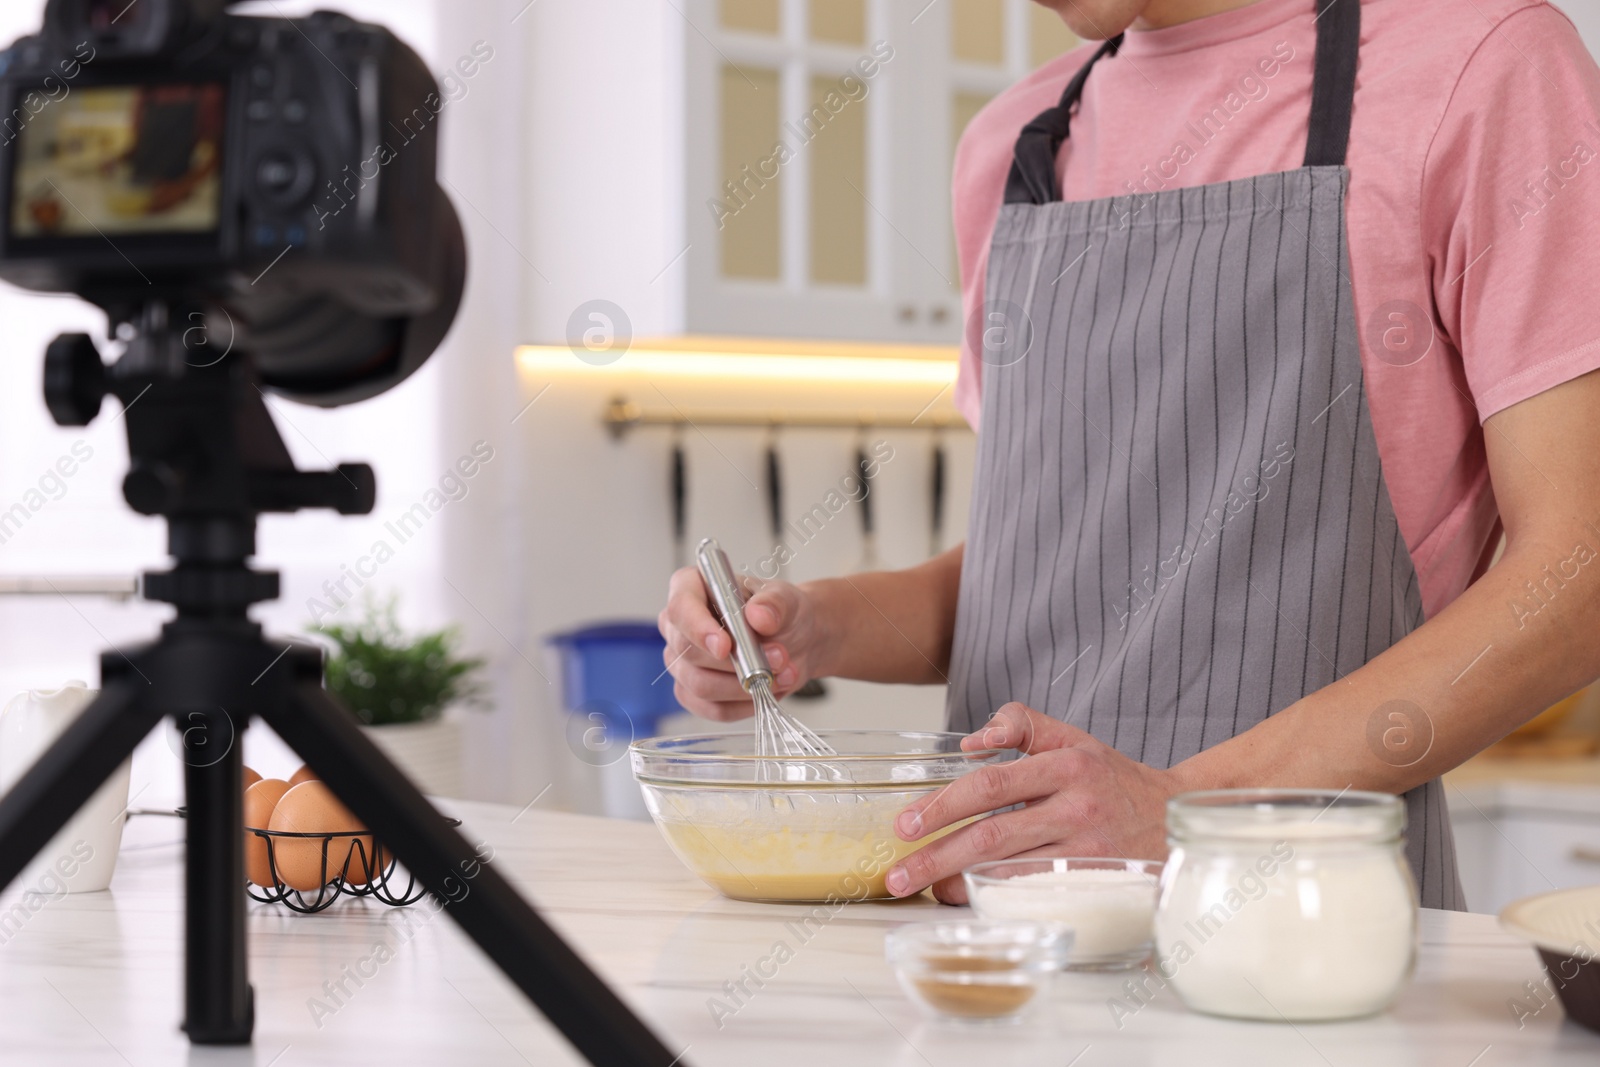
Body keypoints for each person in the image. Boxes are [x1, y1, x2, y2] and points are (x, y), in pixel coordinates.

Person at [659, 0, 1600, 909]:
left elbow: (1579, 572)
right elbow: (1038, 581)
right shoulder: (1013, 147)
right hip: (997, 935)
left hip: (1305, 935)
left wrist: (1183, 809)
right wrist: (814, 627)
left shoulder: (1485, 68)